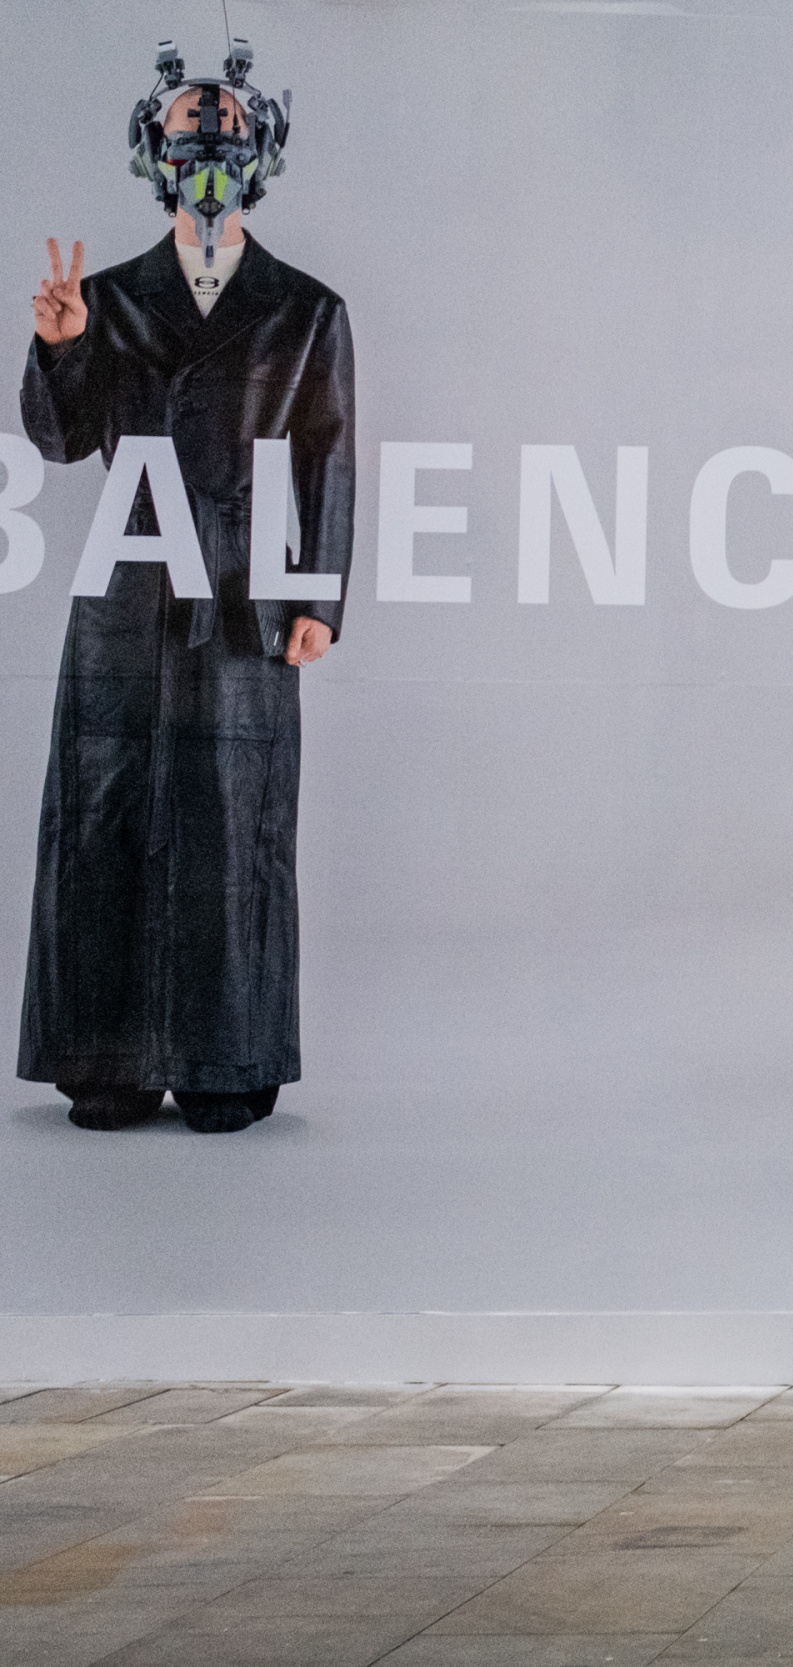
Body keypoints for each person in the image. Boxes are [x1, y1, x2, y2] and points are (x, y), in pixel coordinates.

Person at [19, 42, 353, 1134]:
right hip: (126, 588)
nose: (207, 148)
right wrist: (61, 348)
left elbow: (328, 459)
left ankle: (227, 1057)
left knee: (232, 815)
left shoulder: (306, 309)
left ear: (261, 150)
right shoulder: (106, 299)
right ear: (152, 152)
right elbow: (62, 441)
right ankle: (104, 1058)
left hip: (248, 593)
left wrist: (319, 601)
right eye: (185, 130)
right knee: (106, 809)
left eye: (226, 129)